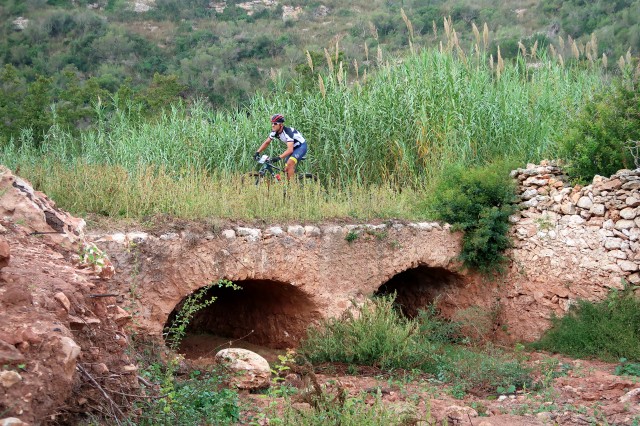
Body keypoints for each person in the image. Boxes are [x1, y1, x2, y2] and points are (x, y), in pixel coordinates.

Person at [253, 114, 308, 180]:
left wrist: (278, 158)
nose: (273, 125)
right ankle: (286, 186)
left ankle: (292, 187)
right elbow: (267, 142)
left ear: (281, 125)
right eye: (272, 123)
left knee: (290, 163)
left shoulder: (287, 132)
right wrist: (257, 152)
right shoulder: (274, 132)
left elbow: (290, 150)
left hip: (301, 147)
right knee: (286, 169)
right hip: (293, 148)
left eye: (275, 123)